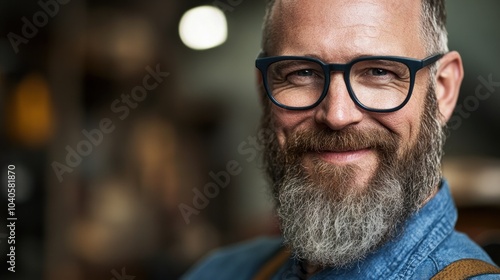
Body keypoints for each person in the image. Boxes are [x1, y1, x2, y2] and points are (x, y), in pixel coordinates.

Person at [183, 0, 500, 279]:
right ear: (263, 91)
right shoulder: (216, 271)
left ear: (443, 89)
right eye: (301, 73)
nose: (336, 115)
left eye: (378, 72)